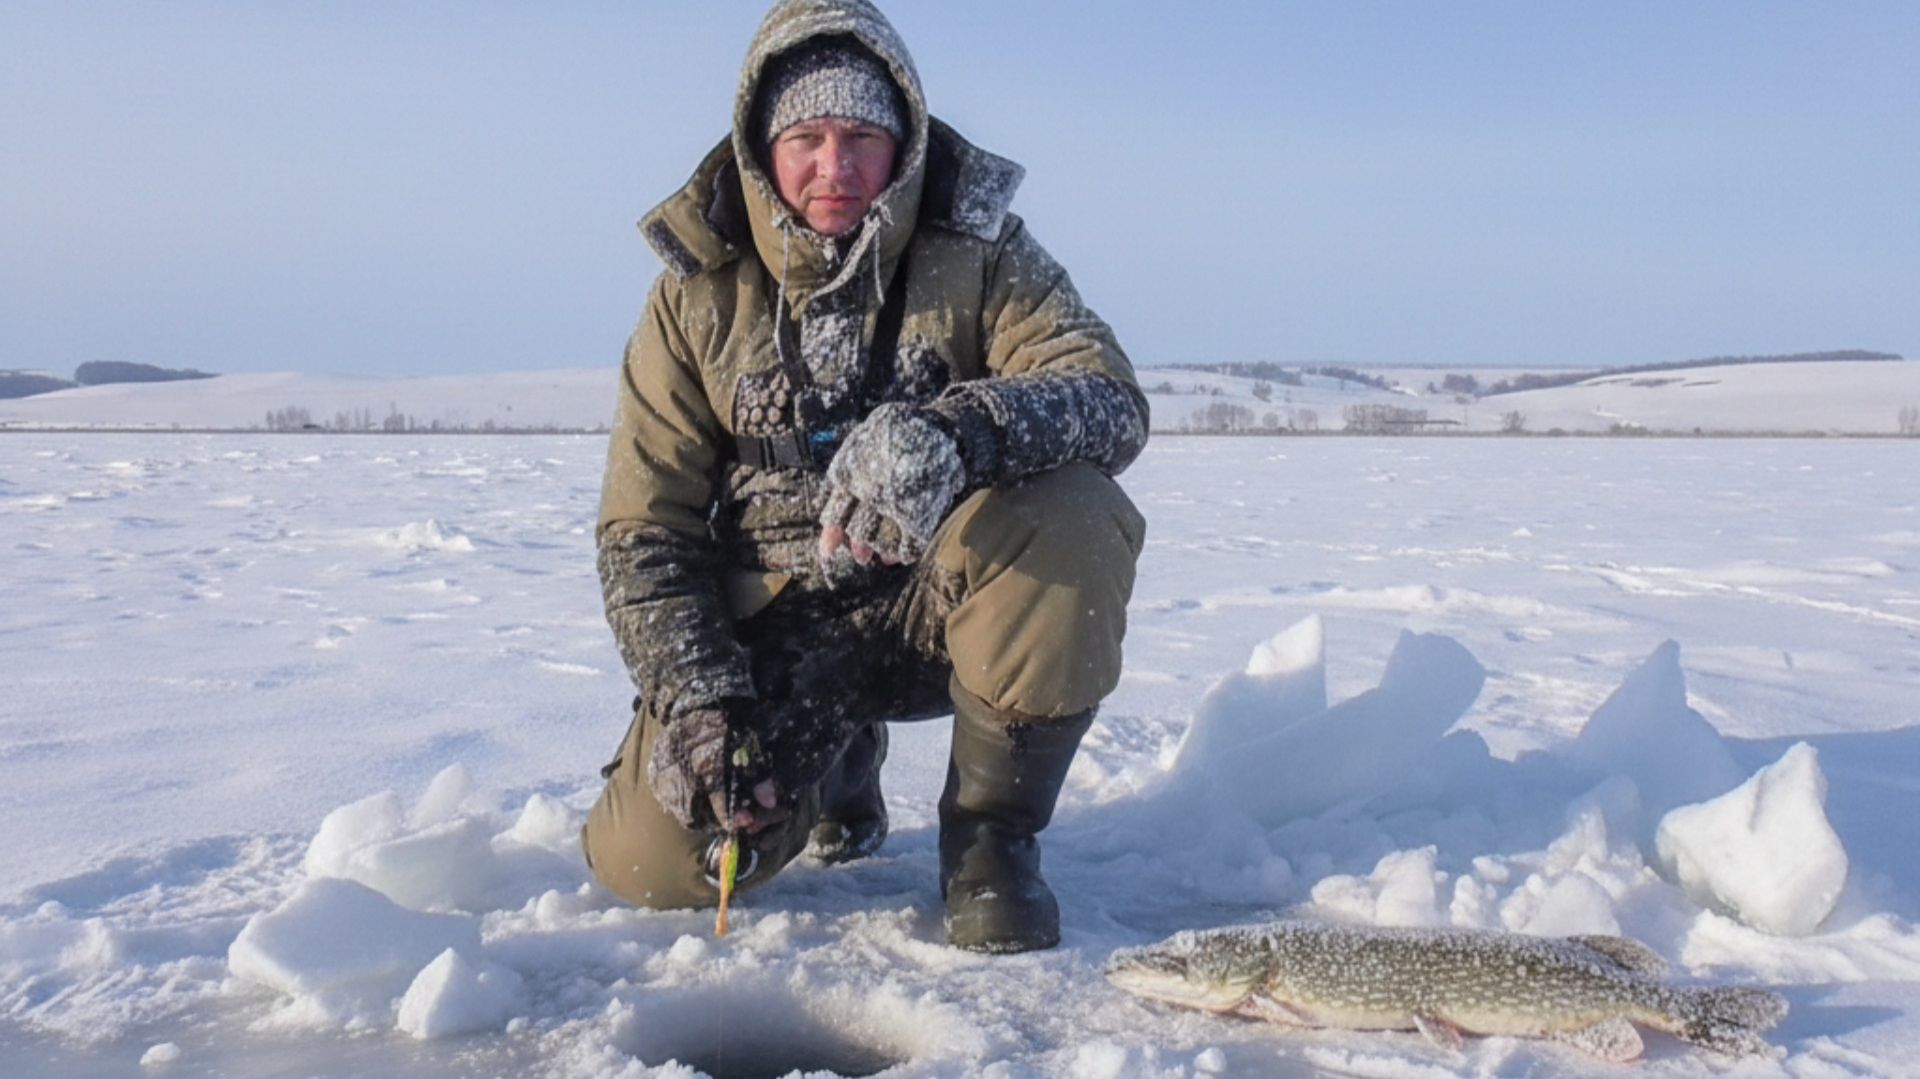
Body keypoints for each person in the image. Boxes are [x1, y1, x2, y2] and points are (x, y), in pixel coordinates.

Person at [581, 0, 1147, 955]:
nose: (834, 167)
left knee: (1076, 510)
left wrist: (959, 431)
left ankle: (992, 841)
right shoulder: (693, 293)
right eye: (806, 137)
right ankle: (831, 767)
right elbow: (645, 530)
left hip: (943, 598)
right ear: (762, 145)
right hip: (780, 620)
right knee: (652, 866)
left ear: (906, 144)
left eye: (861, 137)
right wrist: (700, 697)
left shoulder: (986, 252)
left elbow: (1108, 397)